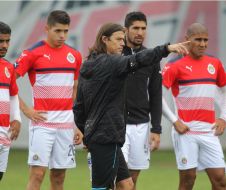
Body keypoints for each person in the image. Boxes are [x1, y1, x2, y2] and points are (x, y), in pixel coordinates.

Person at [73, 22, 189, 190]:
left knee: (127, 185)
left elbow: (78, 107)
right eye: (118, 39)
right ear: (105, 39)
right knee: (102, 188)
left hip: (100, 135)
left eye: (123, 39)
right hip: (107, 135)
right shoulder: (112, 63)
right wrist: (166, 49)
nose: (123, 43)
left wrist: (87, 132)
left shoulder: (88, 64)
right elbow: (138, 59)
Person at [14, 10, 83, 190]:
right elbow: (6, 82)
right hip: (42, 123)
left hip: (66, 124)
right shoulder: (32, 53)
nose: (62, 35)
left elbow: (75, 90)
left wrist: (78, 124)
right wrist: (26, 109)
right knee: (37, 174)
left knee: (59, 176)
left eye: (66, 31)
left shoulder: (74, 55)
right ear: (46, 29)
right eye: (58, 31)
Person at [162, 23, 226, 190]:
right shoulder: (175, 64)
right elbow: (158, 94)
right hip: (186, 131)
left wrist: (223, 116)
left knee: (220, 181)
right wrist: (174, 120)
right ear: (187, 40)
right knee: (188, 180)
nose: (202, 44)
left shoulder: (214, 63)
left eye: (205, 40)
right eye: (198, 39)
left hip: (209, 131)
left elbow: (225, 89)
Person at [121, 11, 161, 189]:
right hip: (117, 124)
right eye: (135, 28)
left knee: (133, 179)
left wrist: (156, 128)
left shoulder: (151, 57)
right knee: (119, 179)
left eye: (143, 28)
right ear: (125, 30)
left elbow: (155, 93)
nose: (140, 32)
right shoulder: (114, 54)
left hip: (141, 126)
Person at [0, 22, 21, 181]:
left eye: (7, 41)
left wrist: (17, 119)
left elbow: (13, 95)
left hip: (3, 131)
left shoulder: (8, 67)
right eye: (1, 41)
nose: (5, 45)